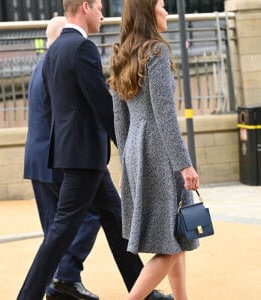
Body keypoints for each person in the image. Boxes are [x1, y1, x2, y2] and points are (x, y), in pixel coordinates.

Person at [17, 1, 172, 299]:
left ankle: (142, 289)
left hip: (76, 156)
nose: (103, 13)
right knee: (61, 232)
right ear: (84, 7)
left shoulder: (55, 51)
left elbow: (61, 109)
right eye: (99, 7)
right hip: (84, 159)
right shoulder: (82, 48)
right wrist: (128, 150)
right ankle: (27, 296)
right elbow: (102, 105)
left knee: (113, 218)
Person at [108, 0, 200, 299]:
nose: (167, 11)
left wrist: (125, 165)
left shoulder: (122, 55)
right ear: (149, 12)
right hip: (159, 152)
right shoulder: (157, 53)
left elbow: (120, 121)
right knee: (170, 242)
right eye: (161, 5)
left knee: (177, 235)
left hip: (136, 148)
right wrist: (184, 164)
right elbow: (164, 116)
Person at [24, 16, 101, 300]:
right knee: (89, 216)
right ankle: (65, 275)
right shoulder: (58, 64)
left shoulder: (39, 65)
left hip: (35, 157)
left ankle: (56, 285)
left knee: (53, 231)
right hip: (55, 157)